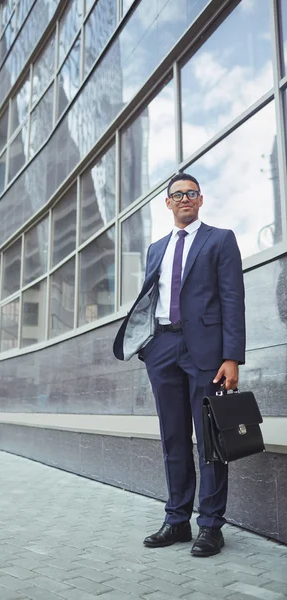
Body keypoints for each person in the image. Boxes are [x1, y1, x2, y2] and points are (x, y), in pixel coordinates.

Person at [113, 173, 245, 557]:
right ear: (168, 204)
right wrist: (147, 347)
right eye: (177, 195)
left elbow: (233, 300)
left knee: (210, 441)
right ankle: (176, 521)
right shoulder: (156, 248)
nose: (185, 198)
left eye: (191, 193)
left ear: (200, 200)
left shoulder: (220, 239)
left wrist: (232, 356)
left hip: (206, 353)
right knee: (173, 440)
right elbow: (151, 296)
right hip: (163, 348)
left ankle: (210, 527)